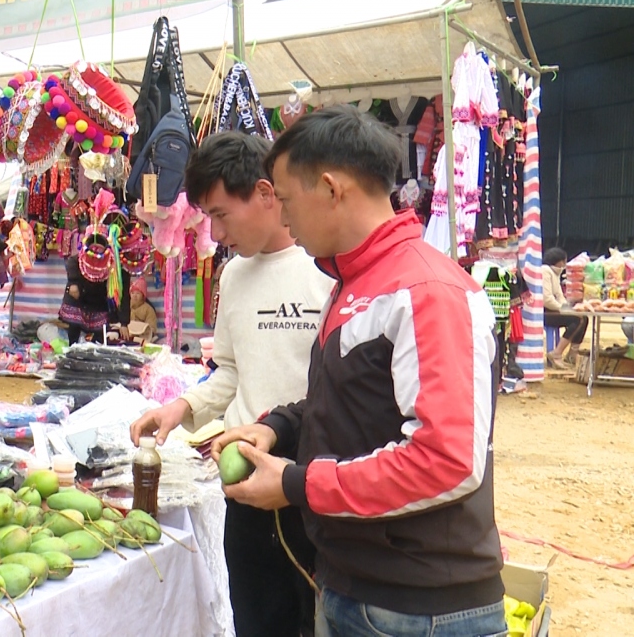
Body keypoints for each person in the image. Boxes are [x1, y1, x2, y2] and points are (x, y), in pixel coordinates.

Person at [216, 106, 506, 636]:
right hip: (358, 589)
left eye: (285, 201)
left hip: (421, 610)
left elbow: (446, 461)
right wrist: (278, 426)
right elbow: (353, 404)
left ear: (330, 188)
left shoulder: (422, 292)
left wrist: (299, 484)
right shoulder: (352, 285)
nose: (282, 219)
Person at [130, 131, 333, 637]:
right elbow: (231, 371)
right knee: (256, 621)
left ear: (266, 194)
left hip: (310, 485)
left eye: (221, 214)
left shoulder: (327, 272)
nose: (215, 233)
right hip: (243, 489)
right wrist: (181, 408)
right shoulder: (234, 276)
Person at [542, 247, 586, 368]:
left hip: (553, 310)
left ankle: (572, 355)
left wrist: (568, 308)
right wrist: (562, 308)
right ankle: (556, 354)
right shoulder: (545, 271)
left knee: (583, 317)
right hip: (544, 313)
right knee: (578, 320)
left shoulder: (555, 273)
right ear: (559, 261)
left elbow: (560, 296)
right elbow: (546, 299)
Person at [123, 277, 158, 345]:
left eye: (138, 293)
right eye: (132, 293)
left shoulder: (148, 309)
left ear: (143, 295)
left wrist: (140, 329)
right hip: (126, 336)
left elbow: (152, 328)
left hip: (141, 338)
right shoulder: (125, 306)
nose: (135, 296)